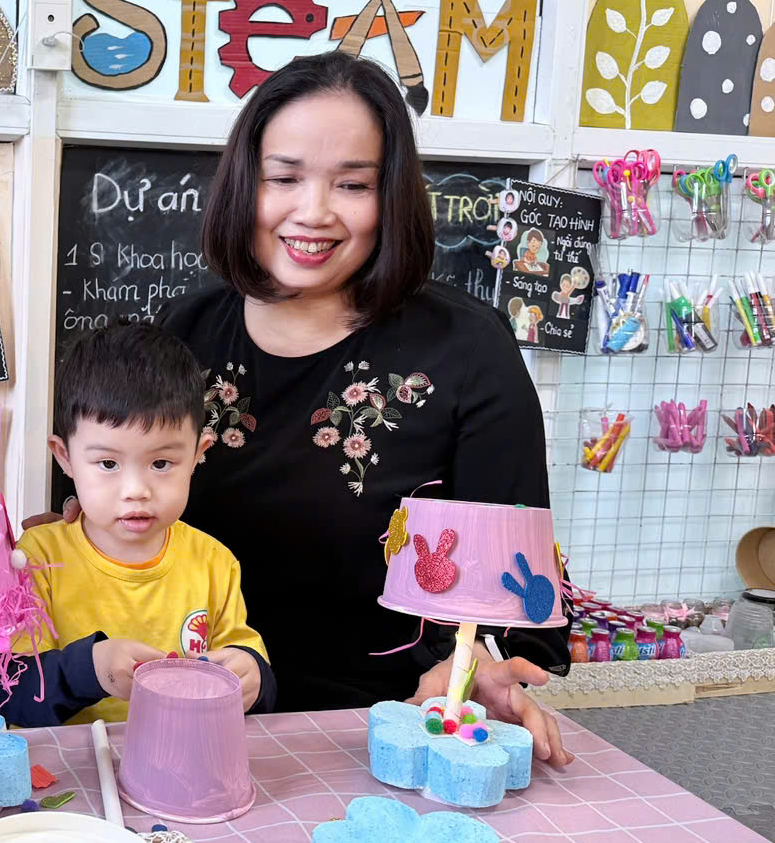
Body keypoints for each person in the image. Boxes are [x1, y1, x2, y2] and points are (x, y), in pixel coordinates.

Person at [36, 52, 573, 766]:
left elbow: (517, 583)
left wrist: (480, 673)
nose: (312, 212)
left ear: (392, 196)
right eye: (283, 178)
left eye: (351, 184)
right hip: (180, 726)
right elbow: (94, 520)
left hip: (379, 728)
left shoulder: (468, 351)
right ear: (243, 184)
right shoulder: (186, 331)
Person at [0, 322, 277, 728]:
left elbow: (246, 663)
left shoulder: (213, 562)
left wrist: (254, 676)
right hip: (69, 774)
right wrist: (90, 669)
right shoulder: (36, 558)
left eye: (161, 463)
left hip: (182, 763)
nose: (136, 490)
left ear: (198, 454)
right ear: (65, 457)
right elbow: (12, 697)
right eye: (108, 464)